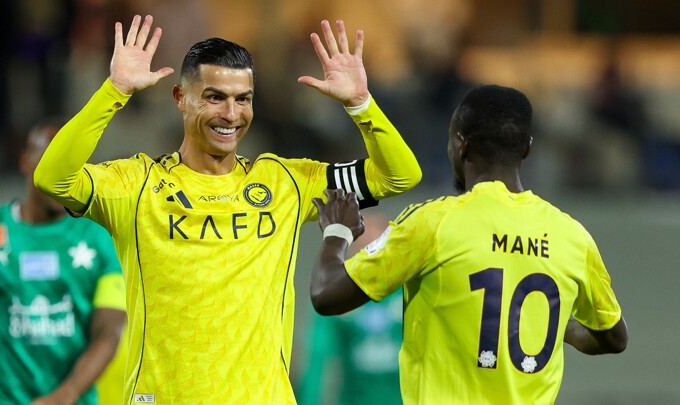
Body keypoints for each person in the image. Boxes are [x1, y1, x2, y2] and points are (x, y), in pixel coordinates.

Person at [33, 14, 421, 404]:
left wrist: (360, 105)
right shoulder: (137, 186)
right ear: (180, 98)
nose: (231, 114)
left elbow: (398, 176)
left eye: (243, 99)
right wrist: (114, 91)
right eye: (215, 97)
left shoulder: (285, 183)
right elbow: (52, 178)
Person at [310, 85, 628, 404]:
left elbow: (327, 295)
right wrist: (559, 326)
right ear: (527, 149)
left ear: (461, 145)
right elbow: (614, 338)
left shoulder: (433, 224)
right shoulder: (572, 237)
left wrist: (338, 231)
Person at [0, 120, 126, 405]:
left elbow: (108, 333)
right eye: (50, 162)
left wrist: (66, 395)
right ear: (25, 161)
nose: (58, 176)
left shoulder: (101, 239)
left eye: (69, 165)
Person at [298, 213, 403, 405]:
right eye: (365, 249)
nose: (372, 257)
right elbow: (316, 360)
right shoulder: (336, 297)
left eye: (377, 247)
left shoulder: (407, 292)